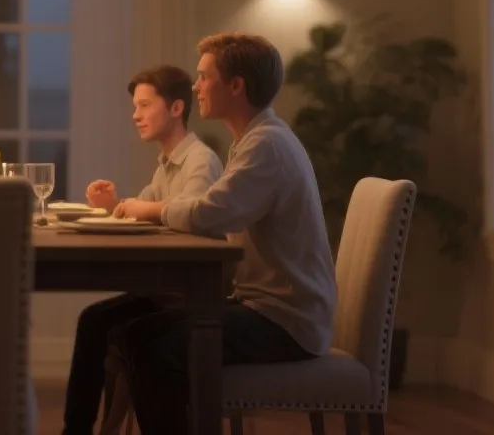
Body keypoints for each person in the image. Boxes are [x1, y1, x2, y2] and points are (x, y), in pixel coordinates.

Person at [107, 33, 337, 435]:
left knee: (150, 343)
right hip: (268, 309)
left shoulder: (267, 145)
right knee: (136, 332)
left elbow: (210, 214)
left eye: (204, 77)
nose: (196, 87)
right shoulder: (254, 140)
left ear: (236, 86)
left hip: (285, 323)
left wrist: (149, 209)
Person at [62, 65, 223, 435]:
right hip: (167, 288)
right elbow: (146, 214)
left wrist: (135, 209)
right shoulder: (166, 163)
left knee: (117, 329)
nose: (136, 115)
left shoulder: (199, 161)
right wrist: (114, 205)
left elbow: (192, 224)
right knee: (94, 321)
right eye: (135, 106)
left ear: (177, 108)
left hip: (188, 293)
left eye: (145, 105)